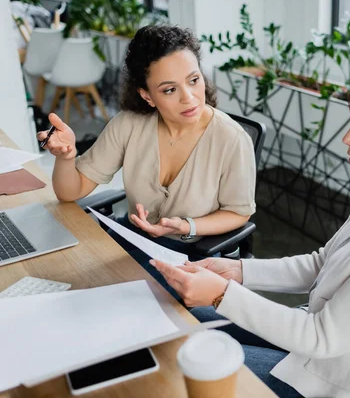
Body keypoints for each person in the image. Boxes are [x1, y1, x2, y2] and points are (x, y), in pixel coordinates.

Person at [151, 66, 350, 397]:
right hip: (310, 345)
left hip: (332, 379)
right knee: (177, 319)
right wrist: (236, 271)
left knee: (181, 368)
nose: (347, 137)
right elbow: (322, 263)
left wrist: (220, 294)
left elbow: (321, 337)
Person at [37, 25, 256, 296]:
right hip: (132, 240)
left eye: (193, 80)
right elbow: (69, 192)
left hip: (189, 255)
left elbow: (239, 212)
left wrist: (187, 226)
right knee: (67, 283)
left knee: (112, 301)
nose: (188, 98)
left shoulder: (232, 139)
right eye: (169, 90)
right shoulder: (129, 125)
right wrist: (67, 157)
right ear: (146, 95)